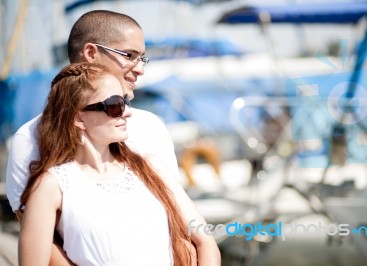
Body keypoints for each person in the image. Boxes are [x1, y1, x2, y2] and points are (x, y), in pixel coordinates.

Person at [6, 10, 220, 265]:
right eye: (130, 55)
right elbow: (40, 239)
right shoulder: (30, 140)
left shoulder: (150, 129)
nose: (140, 69)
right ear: (91, 53)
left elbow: (180, 227)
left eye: (143, 58)